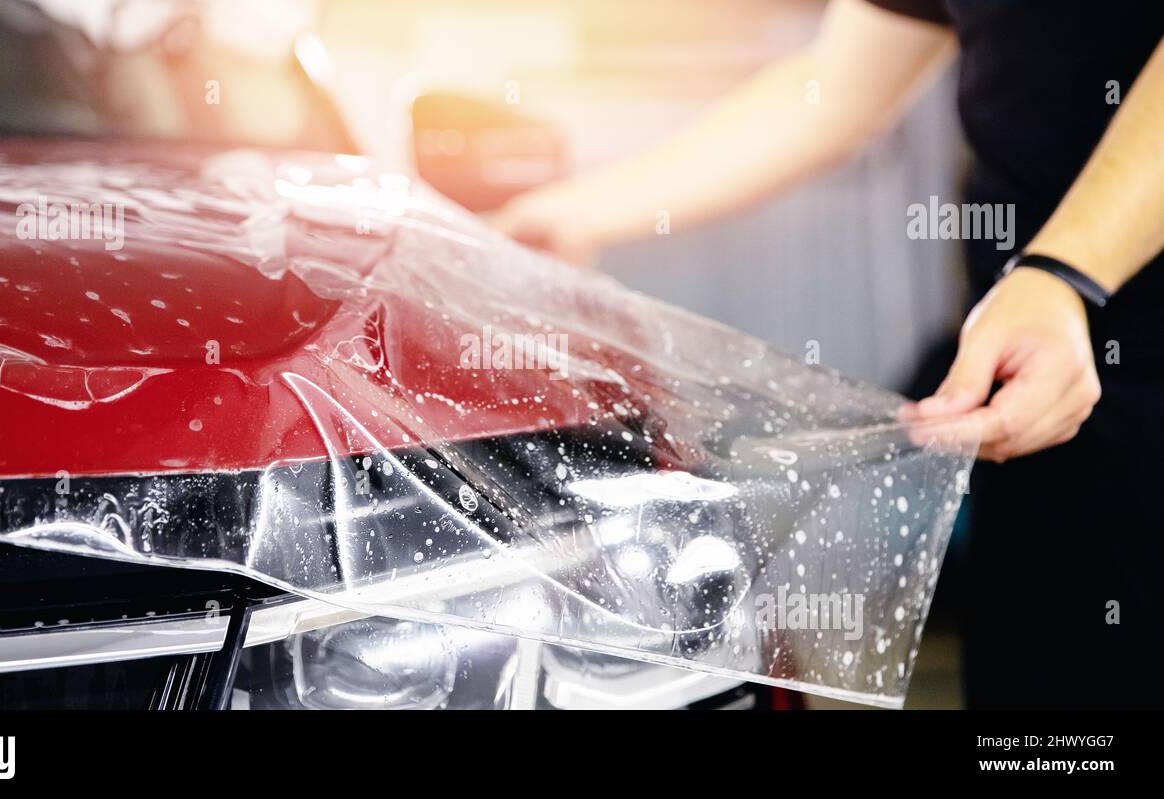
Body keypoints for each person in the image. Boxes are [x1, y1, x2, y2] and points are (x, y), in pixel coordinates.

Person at [493, 0, 1163, 708]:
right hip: (1030, 392)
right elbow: (832, 87)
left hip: (1090, 326)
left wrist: (1067, 269)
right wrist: (574, 214)